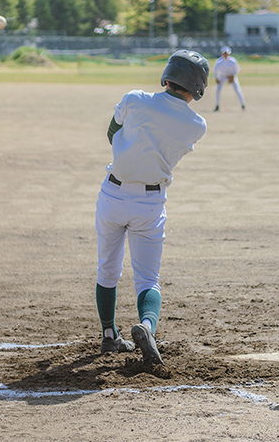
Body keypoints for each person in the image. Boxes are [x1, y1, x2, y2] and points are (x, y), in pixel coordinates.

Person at [94, 50, 209, 364]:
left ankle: (108, 335)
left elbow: (111, 132)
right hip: (150, 201)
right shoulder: (197, 124)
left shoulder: (135, 99)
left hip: (113, 194)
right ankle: (146, 326)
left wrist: (127, 149)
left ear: (167, 75)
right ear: (197, 87)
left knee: (108, 270)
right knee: (147, 280)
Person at [212, 46, 245, 112]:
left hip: (231, 75)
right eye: (224, 53)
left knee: (237, 90)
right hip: (222, 76)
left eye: (226, 53)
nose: (225, 55)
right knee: (218, 90)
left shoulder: (233, 61)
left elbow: (237, 69)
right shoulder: (219, 61)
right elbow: (215, 70)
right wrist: (216, 78)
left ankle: (242, 104)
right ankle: (217, 105)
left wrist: (232, 76)